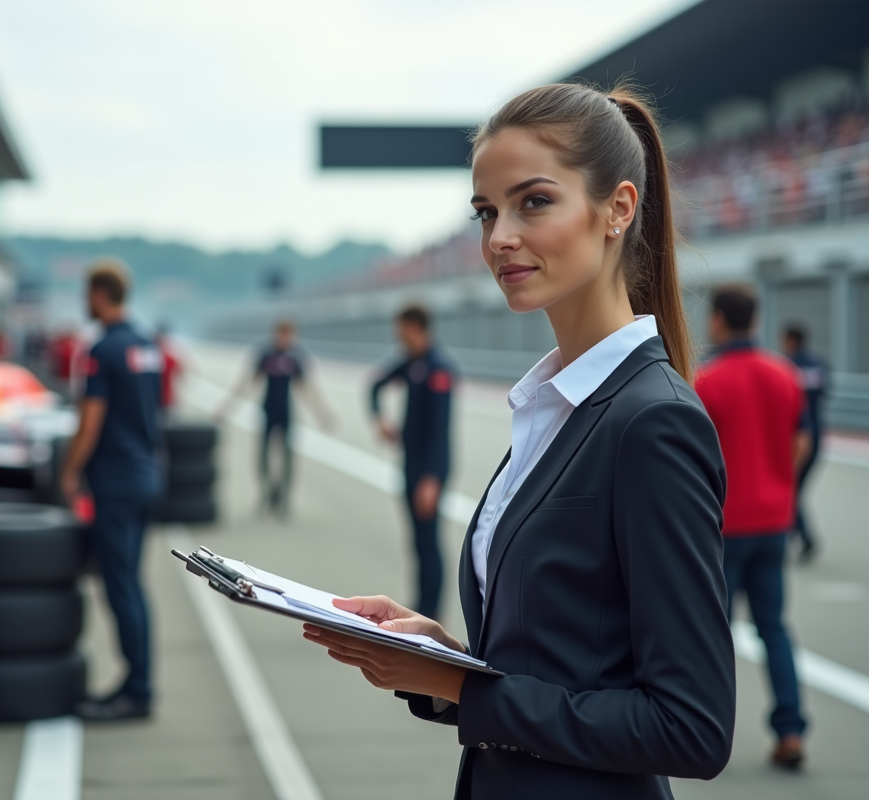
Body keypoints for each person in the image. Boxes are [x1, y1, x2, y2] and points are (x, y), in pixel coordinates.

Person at [302, 83, 734, 799]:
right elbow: (567, 663)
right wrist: (443, 659)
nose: (498, 236)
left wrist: (466, 693)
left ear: (617, 209)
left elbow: (691, 727)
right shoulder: (552, 408)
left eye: (533, 202)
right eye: (485, 211)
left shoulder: (651, 422)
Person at [697, 287, 811, 769]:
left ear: (719, 321)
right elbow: (802, 441)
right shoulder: (784, 373)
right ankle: (791, 730)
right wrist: (782, 485)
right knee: (774, 628)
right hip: (774, 520)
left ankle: (703, 729)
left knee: (707, 630)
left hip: (725, 525)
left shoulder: (707, 380)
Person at [60, 259, 162, 721]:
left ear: (101, 294)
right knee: (133, 586)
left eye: (87, 293)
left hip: (116, 481)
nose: (85, 301)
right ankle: (137, 682)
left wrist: (70, 468)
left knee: (120, 586)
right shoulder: (147, 345)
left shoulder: (101, 349)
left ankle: (136, 691)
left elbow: (92, 418)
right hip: (145, 475)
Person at [369, 305, 456, 620]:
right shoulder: (411, 363)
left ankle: (433, 611)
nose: (398, 336)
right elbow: (374, 385)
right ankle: (420, 603)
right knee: (416, 540)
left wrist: (432, 478)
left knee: (429, 541)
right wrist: (379, 419)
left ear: (415, 327)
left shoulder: (438, 368)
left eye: (401, 329)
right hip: (410, 462)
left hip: (430, 469)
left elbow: (441, 429)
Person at [217, 320, 333, 518]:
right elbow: (247, 382)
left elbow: (306, 387)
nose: (286, 339)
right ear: (275, 334)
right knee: (262, 456)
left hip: (286, 412)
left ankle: (284, 499)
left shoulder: (296, 356)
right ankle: (266, 494)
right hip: (267, 411)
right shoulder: (265, 353)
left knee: (287, 457)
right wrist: (227, 407)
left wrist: (322, 413)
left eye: (290, 335)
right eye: (282, 334)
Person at [782, 321, 827, 562]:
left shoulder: (786, 367)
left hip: (794, 438)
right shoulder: (819, 365)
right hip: (817, 435)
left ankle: (802, 537)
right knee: (793, 490)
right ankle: (794, 535)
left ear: (790, 340)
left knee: (789, 490)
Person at [154, 324, 184, 412]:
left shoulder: (151, 358)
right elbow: (181, 371)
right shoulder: (170, 357)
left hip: (155, 398)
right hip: (166, 398)